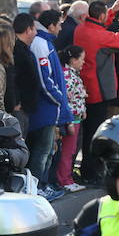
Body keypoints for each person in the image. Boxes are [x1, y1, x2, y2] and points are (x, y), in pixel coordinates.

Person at [74, 0, 119, 184]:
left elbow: (97, 25)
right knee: (94, 133)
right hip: (98, 89)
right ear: (102, 15)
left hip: (84, 86)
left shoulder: (81, 29)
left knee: (86, 132)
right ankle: (91, 172)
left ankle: (86, 170)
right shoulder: (99, 37)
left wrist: (112, 11)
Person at [29, 10, 72, 198]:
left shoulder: (46, 43)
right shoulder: (41, 44)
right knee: (42, 152)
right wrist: (59, 100)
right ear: (51, 25)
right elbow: (45, 79)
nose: (61, 28)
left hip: (50, 108)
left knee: (47, 152)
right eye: (59, 25)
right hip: (45, 109)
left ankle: (42, 185)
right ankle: (37, 188)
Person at [56, 46, 87, 193]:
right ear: (73, 60)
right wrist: (68, 121)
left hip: (76, 118)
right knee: (67, 151)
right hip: (71, 119)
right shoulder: (68, 76)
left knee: (71, 149)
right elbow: (66, 100)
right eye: (81, 59)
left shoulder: (72, 74)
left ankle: (67, 178)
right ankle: (64, 180)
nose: (83, 62)